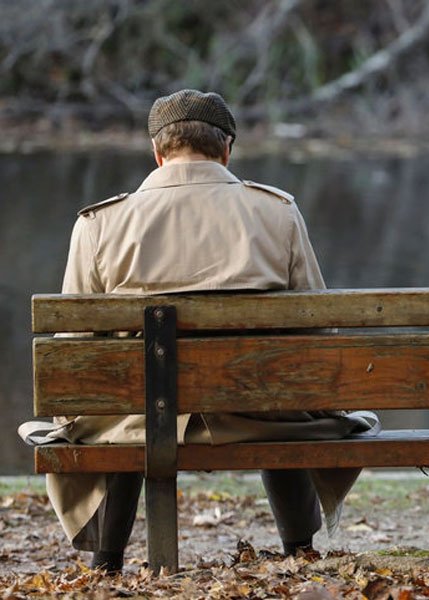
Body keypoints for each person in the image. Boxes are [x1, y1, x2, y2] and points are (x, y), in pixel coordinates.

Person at [18, 89, 378, 573]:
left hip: (139, 419)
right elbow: (315, 333)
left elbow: (77, 355)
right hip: (259, 417)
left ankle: (107, 560)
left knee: (121, 405)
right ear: (226, 148)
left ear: (158, 152)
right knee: (285, 392)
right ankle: (300, 549)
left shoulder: (99, 224)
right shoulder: (277, 212)